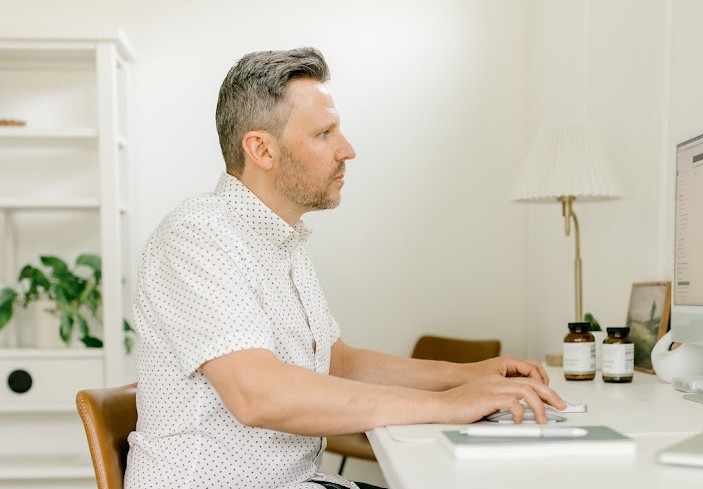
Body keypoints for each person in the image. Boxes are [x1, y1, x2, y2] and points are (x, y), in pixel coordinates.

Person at [124, 47, 565, 489]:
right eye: (324, 133)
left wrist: (470, 375)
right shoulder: (197, 236)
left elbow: (340, 363)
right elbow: (255, 394)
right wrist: (450, 405)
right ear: (261, 148)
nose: (347, 150)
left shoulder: (284, 242)